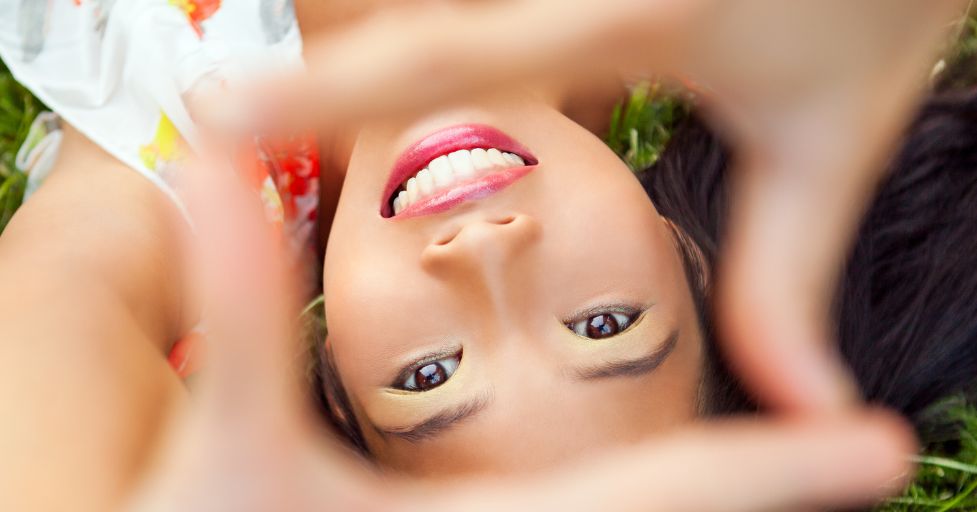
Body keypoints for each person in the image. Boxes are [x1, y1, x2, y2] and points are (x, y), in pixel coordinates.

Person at [0, 0, 967, 510]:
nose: (483, 257)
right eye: (602, 326)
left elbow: (52, 316)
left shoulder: (197, 156)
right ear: (692, 261)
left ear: (333, 382)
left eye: (427, 375)